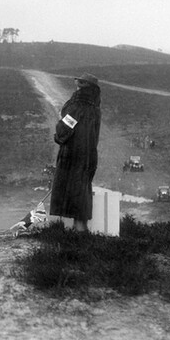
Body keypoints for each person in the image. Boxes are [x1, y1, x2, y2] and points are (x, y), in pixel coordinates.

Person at [48, 72, 101, 232]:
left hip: (72, 156)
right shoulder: (95, 109)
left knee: (69, 192)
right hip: (88, 157)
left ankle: (73, 234)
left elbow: (65, 128)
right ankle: (81, 229)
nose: (77, 87)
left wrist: (58, 135)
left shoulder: (76, 106)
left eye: (79, 84)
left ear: (82, 87)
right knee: (82, 192)